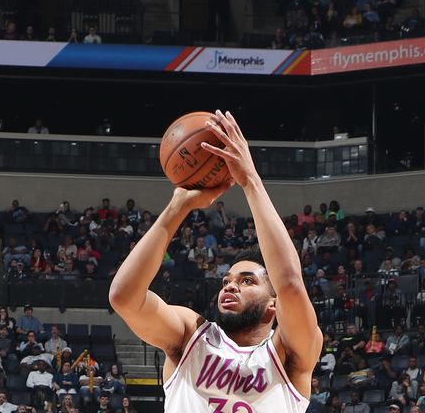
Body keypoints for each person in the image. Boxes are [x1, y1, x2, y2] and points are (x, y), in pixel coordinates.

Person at [109, 110, 322, 412]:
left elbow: (289, 283)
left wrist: (250, 181)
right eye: (227, 281)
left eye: (247, 280)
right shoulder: (190, 336)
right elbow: (123, 297)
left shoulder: (289, 353)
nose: (230, 286)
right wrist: (177, 208)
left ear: (273, 304)